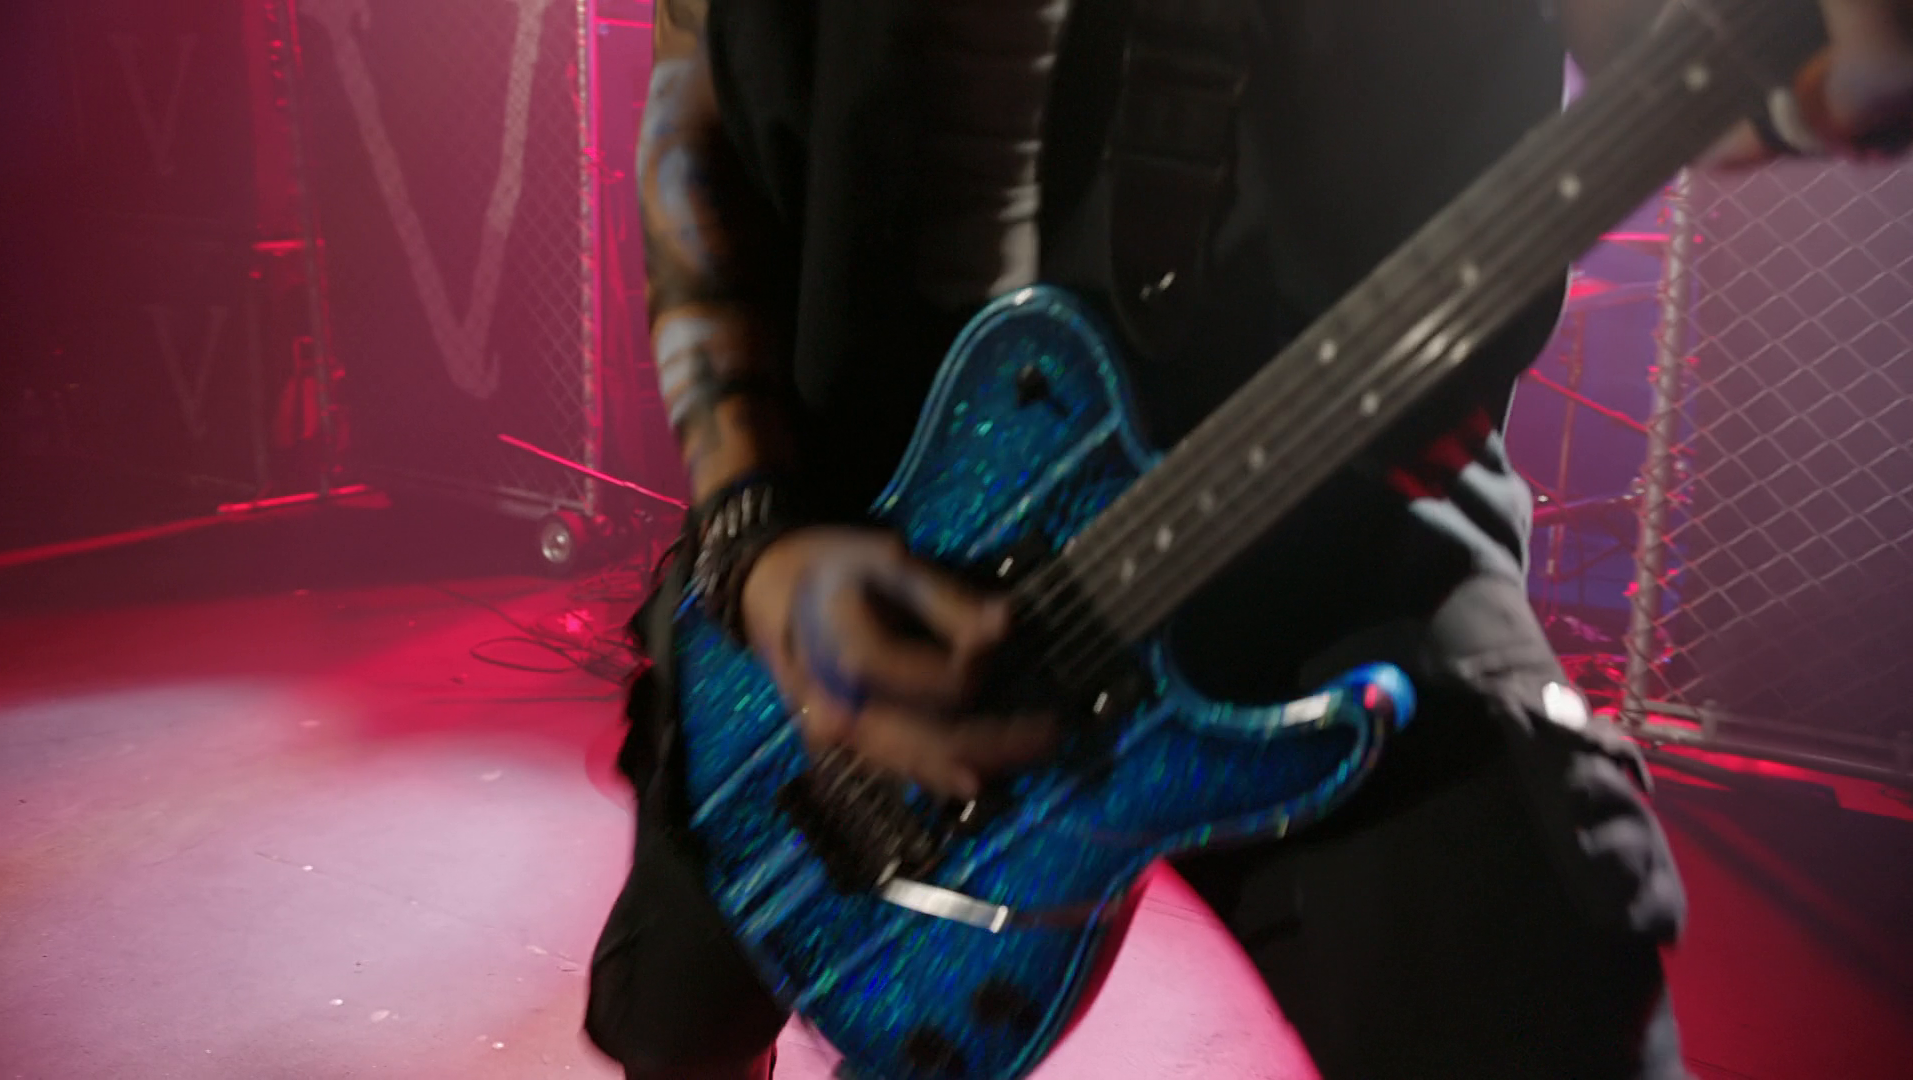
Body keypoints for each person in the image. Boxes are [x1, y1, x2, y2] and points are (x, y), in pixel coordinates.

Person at [585, 2, 1913, 1078]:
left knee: (1528, 1008)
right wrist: (752, 529)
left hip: (1319, 513)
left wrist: (1782, 66)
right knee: (679, 1024)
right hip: (850, 519)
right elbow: (696, 88)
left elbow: (1659, 31)